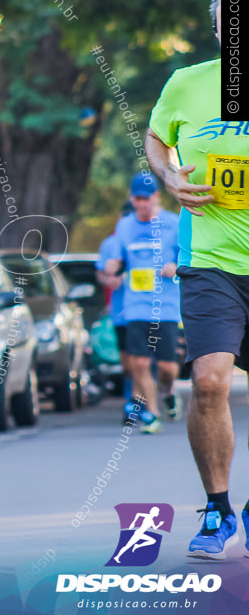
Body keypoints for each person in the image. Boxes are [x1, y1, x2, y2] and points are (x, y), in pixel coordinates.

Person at [145, 0, 246, 559]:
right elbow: (159, 140)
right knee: (209, 382)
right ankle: (217, 509)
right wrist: (169, 175)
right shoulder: (187, 83)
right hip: (210, 261)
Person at [104, 175, 181, 434]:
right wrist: (113, 267)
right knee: (138, 364)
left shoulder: (174, 223)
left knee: (167, 368)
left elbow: (191, 258)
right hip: (135, 305)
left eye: (146, 199)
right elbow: (118, 261)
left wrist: (176, 268)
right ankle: (153, 414)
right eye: (137, 199)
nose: (142, 205)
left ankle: (168, 391)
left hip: (166, 306)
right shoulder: (125, 226)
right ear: (131, 199)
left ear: (157, 197)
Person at [95, 201, 137, 422]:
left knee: (145, 359)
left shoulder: (151, 239)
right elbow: (101, 273)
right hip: (122, 312)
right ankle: (133, 401)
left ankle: (142, 401)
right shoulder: (111, 243)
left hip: (150, 311)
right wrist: (109, 279)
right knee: (129, 361)